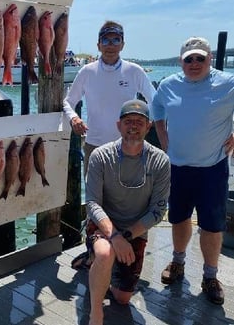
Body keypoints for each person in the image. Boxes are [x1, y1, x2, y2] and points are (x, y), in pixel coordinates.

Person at [152, 36, 234, 305]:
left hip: (213, 168)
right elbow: (157, 110)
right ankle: (177, 262)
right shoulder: (167, 85)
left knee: (212, 226)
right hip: (178, 167)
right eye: (189, 59)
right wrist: (164, 141)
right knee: (178, 218)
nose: (195, 63)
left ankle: (210, 276)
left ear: (210, 59)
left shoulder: (228, 82)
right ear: (181, 62)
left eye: (200, 58)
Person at [85, 99, 170, 325]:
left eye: (139, 122)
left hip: (135, 230)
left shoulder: (161, 161)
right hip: (104, 225)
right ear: (118, 126)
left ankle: (100, 268)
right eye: (128, 121)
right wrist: (114, 237)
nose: (133, 126)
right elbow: (92, 203)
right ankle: (96, 314)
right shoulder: (100, 156)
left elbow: (158, 210)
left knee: (123, 298)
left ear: (148, 126)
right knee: (105, 253)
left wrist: (126, 237)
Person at [63, 20, 156, 174]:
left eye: (116, 40)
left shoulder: (134, 71)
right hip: (94, 145)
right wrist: (73, 118)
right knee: (94, 196)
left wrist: (146, 122)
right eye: (105, 40)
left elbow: (154, 100)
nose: (110, 45)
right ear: (98, 45)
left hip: (128, 145)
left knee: (127, 195)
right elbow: (68, 102)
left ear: (122, 44)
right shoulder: (87, 71)